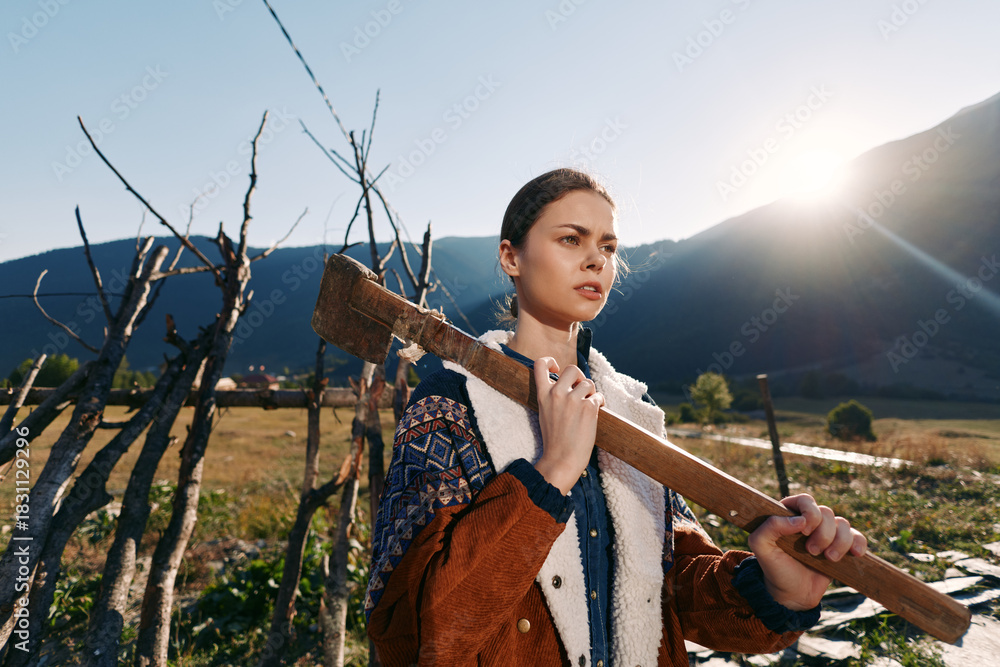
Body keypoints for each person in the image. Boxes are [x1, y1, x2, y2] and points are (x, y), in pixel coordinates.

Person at [364, 168, 867, 667]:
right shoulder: (451, 406)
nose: (596, 259)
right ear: (511, 257)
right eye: (571, 239)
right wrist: (550, 475)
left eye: (607, 246)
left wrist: (778, 590)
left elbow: (674, 592)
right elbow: (414, 635)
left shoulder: (632, 410)